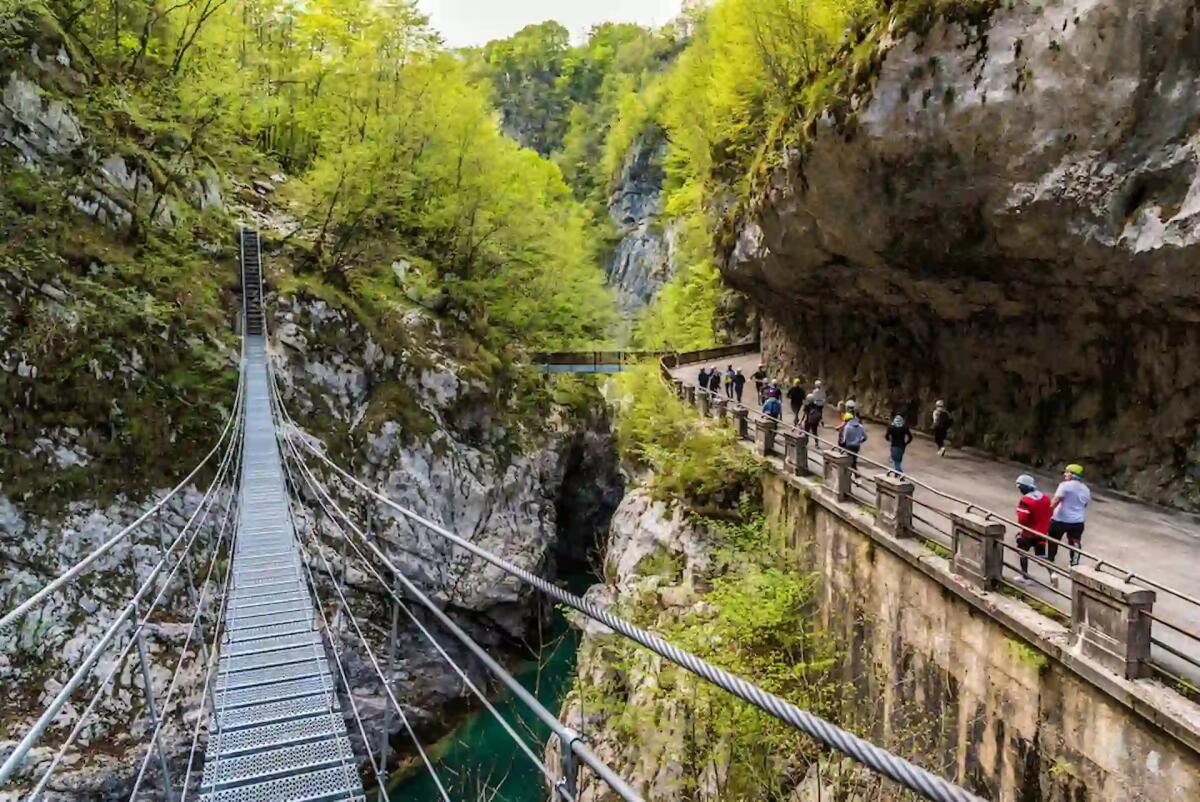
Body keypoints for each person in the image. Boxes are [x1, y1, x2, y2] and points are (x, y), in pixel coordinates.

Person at [1047, 464, 1091, 585]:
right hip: (1077, 522)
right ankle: (1074, 566)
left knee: (1052, 543)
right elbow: (1085, 505)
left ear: (1072, 474)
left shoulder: (1064, 486)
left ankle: (1051, 568)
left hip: (1059, 520)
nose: (1065, 474)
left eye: (1067, 472)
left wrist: (1046, 513)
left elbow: (1056, 501)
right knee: (1074, 544)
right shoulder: (1086, 489)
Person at [1014, 474, 1052, 584]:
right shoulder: (1045, 498)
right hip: (1042, 532)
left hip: (1029, 533)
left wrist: (1021, 530)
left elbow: (1023, 519)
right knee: (1041, 555)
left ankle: (1024, 576)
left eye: (1019, 487)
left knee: (1022, 552)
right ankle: (1052, 573)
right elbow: (1050, 513)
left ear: (1024, 487)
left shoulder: (1025, 501)